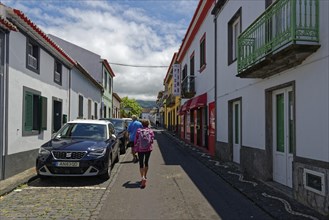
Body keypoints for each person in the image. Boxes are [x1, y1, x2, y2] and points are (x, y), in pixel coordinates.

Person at [133, 119, 154, 188]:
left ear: (142, 124)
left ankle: (142, 177)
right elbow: (152, 140)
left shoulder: (139, 131)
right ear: (148, 124)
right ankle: (145, 175)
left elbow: (135, 141)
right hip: (148, 149)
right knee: (146, 162)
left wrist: (135, 147)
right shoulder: (150, 131)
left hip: (140, 149)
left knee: (141, 163)